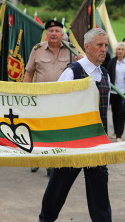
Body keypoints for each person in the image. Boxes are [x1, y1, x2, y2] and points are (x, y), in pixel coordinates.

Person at [39, 28, 112, 222]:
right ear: (87, 47)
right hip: (72, 143)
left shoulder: (105, 74)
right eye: (99, 45)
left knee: (100, 193)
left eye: (105, 45)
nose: (104, 49)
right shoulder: (73, 72)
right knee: (57, 190)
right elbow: (57, 104)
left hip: (96, 144)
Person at [24, 20, 81, 175]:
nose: (54, 34)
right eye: (51, 31)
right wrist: (25, 94)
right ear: (46, 34)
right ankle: (37, 159)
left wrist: (82, 58)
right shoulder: (37, 49)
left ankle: (52, 163)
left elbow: (83, 70)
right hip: (41, 99)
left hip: (63, 100)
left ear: (62, 34)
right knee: (38, 130)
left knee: (57, 131)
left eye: (57, 31)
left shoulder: (72, 50)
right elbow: (29, 72)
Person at [107, 42, 125, 142]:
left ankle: (119, 134)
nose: (120, 51)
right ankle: (116, 132)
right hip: (114, 92)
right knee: (115, 113)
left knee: (122, 113)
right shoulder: (112, 62)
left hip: (124, 93)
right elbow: (108, 76)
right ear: (116, 51)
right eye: (118, 49)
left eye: (122, 49)